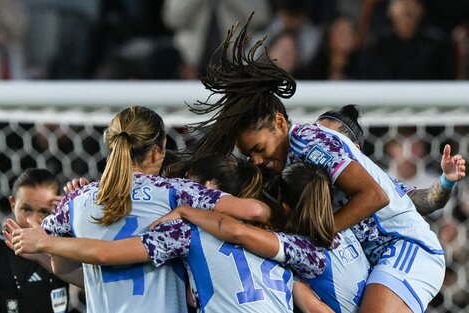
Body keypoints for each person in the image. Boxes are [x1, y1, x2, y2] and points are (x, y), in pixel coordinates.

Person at [186, 15, 450, 313]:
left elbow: (376, 196)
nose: (257, 161)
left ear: (280, 122)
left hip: (401, 247)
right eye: (250, 155)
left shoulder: (310, 141)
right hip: (361, 259)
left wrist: (319, 235)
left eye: (259, 149)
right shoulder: (281, 166)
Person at [5, 106, 274, 313]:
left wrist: (49, 244)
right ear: (157, 152)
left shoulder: (76, 201)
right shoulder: (176, 193)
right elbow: (254, 211)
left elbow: (63, 268)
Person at [5, 155, 331, 313]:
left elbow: (107, 255)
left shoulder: (185, 234)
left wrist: (49, 240)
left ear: (209, 190)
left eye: (188, 185)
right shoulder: (290, 246)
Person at [155, 161, 371, 313]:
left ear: (284, 205)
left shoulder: (300, 249)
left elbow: (239, 233)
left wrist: (187, 211)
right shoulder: (348, 229)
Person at [316, 104, 466, 216]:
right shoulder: (300, 175)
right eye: (314, 133)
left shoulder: (378, 182)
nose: (318, 143)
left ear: (353, 149)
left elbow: (427, 201)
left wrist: (446, 181)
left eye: (330, 140)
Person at [0, 168, 82, 313]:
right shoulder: (1, 248)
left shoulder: (64, 244)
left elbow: (92, 282)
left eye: (44, 212)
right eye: (26, 209)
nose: (33, 220)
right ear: (13, 204)